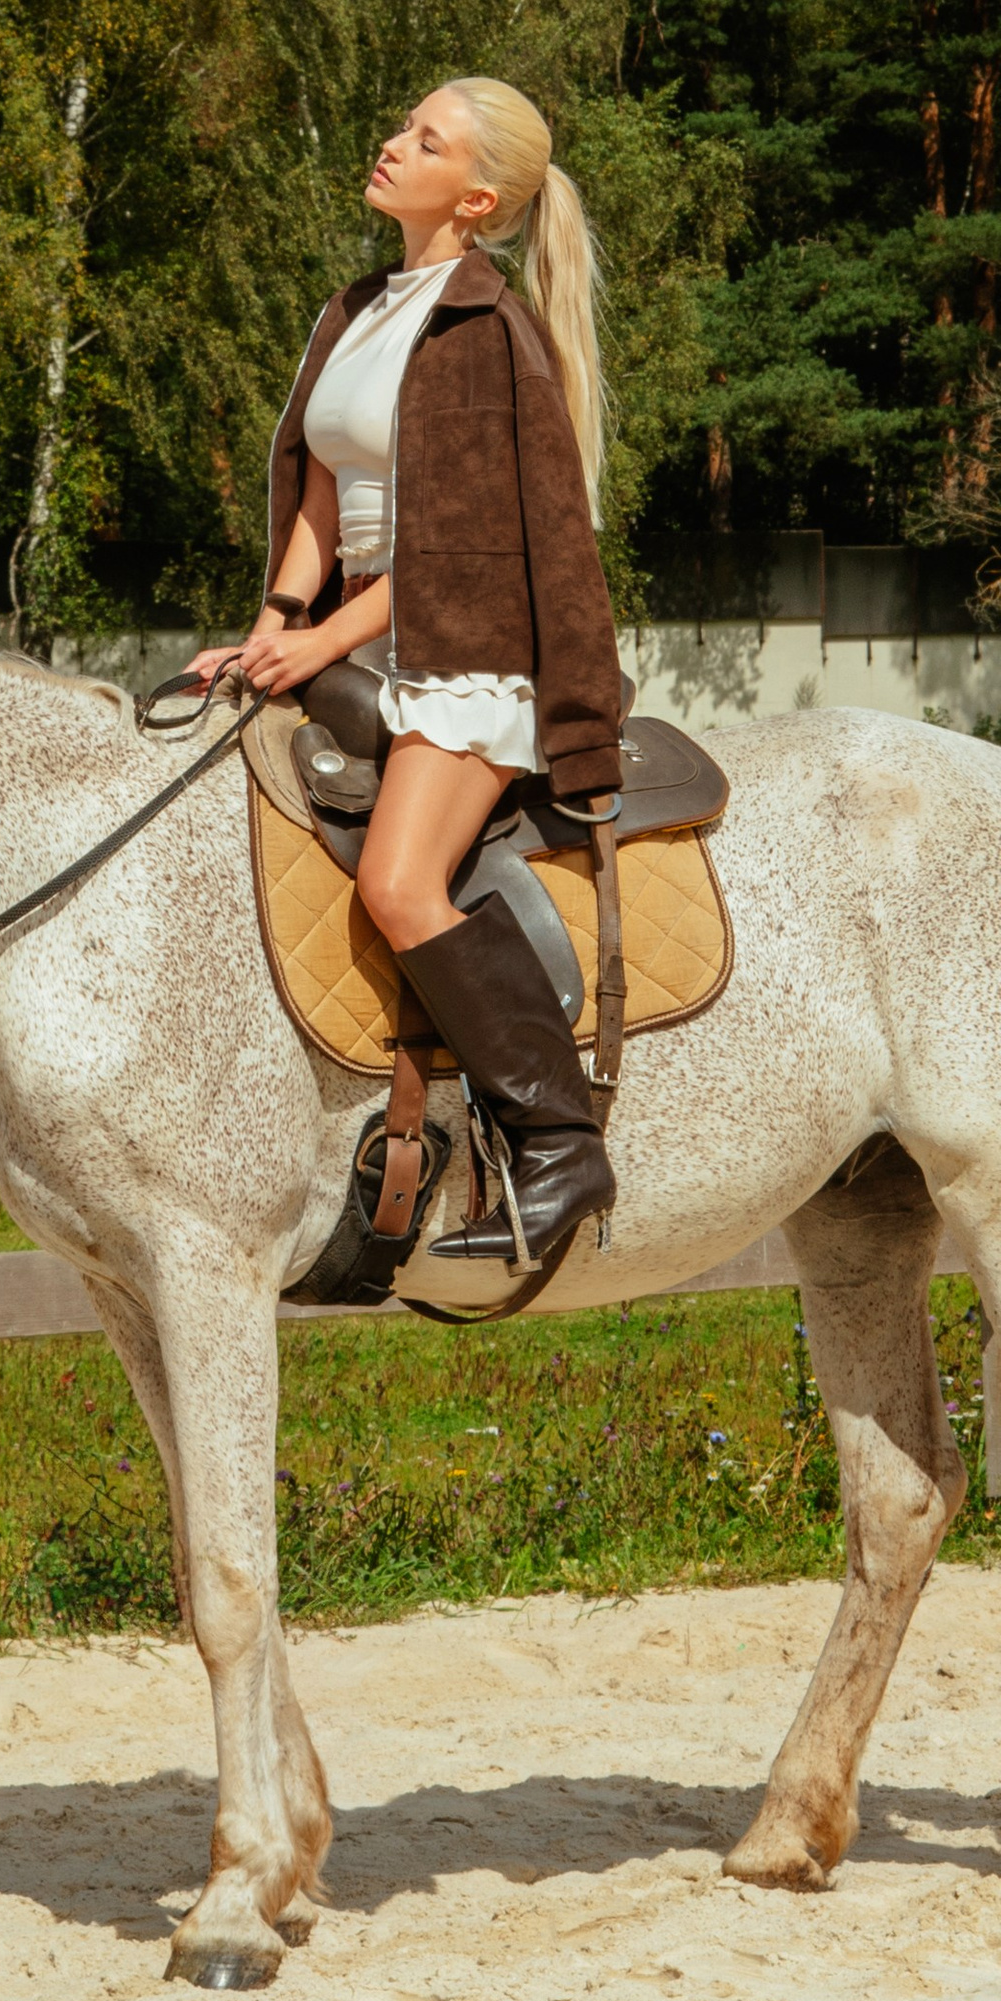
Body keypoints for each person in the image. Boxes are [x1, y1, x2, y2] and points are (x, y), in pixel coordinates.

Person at [192, 79, 624, 1267]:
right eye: (400, 126)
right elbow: (323, 490)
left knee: (397, 882)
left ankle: (556, 1144)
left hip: (463, 655)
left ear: (476, 197)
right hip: (357, 634)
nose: (391, 144)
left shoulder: (486, 327)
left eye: (424, 141)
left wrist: (320, 642)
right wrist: (271, 625)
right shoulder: (355, 309)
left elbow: (457, 549)